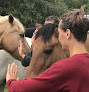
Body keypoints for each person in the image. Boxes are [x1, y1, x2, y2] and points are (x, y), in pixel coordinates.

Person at [6, 6, 89, 92]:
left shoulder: (66, 67)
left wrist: (11, 82)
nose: (59, 38)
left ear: (67, 34)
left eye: (59, 33)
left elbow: (27, 88)